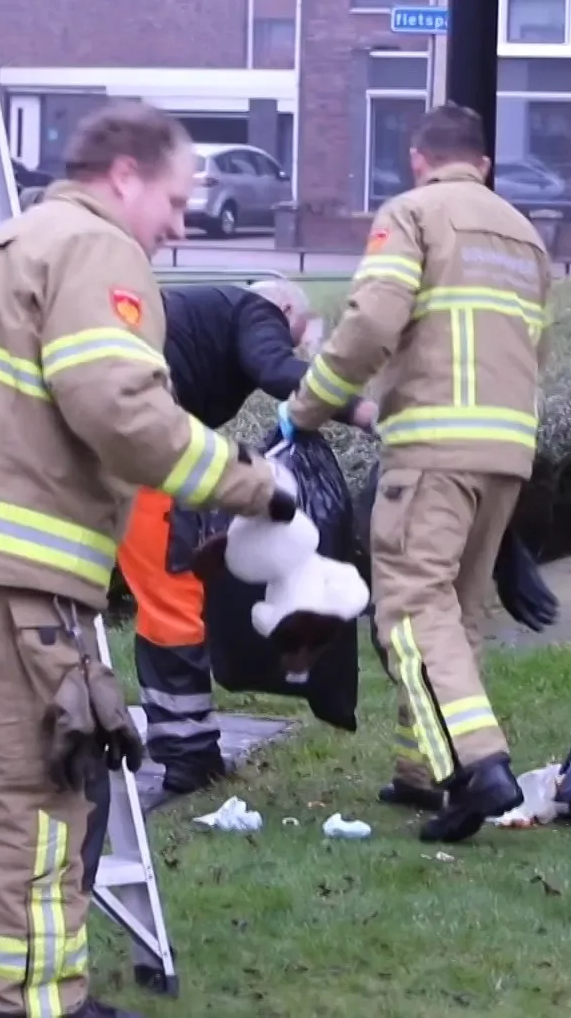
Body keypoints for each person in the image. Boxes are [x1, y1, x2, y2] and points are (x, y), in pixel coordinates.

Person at [0, 100, 297, 1018]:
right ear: (123, 177)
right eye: (173, 199)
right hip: (1, 565)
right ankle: (24, 1000)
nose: (177, 225)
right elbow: (116, 406)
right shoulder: (97, 248)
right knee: (42, 782)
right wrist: (251, 483)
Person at [281, 102, 553, 843]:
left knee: (408, 609)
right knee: (457, 615)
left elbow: (370, 323)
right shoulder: (525, 238)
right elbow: (537, 347)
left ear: (416, 158)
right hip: (506, 450)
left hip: (433, 445)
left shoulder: (413, 214)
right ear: (485, 165)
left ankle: (476, 766)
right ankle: (417, 770)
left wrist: (309, 407)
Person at [123, 278, 375, 795]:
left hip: (105, 449)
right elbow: (276, 369)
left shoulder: (194, 315)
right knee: (174, 602)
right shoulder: (256, 309)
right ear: (283, 308)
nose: (292, 345)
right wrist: (361, 411)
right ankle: (190, 756)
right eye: (294, 335)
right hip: (141, 455)